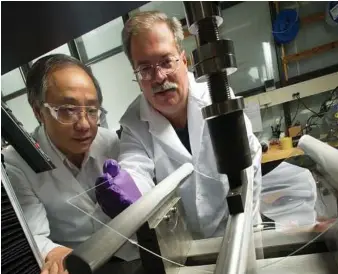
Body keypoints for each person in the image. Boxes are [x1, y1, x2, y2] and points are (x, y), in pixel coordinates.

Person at [95, 11, 263, 238]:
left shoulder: (218, 97)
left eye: (166, 61)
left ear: (184, 61)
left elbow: (249, 164)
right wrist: (127, 189)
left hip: (239, 230)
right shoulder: (133, 123)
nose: (159, 77)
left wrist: (248, 233)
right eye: (145, 69)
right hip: (185, 249)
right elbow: (136, 169)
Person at [2, 54, 137, 274]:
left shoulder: (110, 142)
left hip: (131, 257)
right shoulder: (18, 162)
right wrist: (55, 254)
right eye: (67, 110)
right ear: (38, 111)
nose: (84, 125)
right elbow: (33, 233)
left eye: (92, 110)